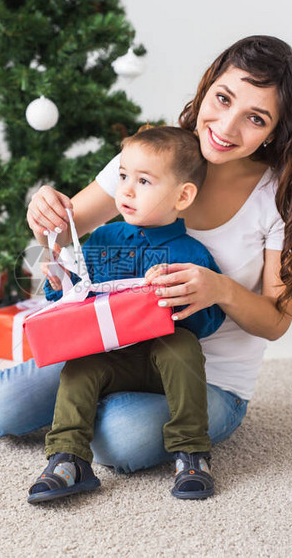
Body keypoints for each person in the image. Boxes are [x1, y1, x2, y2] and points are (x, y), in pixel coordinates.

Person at [0, 36, 292, 486]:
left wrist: (220, 289)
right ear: (208, 85)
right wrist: (43, 213)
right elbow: (60, 233)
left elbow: (275, 321)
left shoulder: (278, 198)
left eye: (255, 118)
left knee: (121, 440)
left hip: (209, 382)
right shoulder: (156, 156)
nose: (227, 126)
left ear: (277, 130)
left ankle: (88, 407)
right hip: (114, 345)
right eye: (223, 98)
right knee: (3, 409)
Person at [27, 126, 226, 503]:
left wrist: (175, 299)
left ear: (182, 196)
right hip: (112, 358)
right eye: (122, 177)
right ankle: (68, 458)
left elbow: (209, 322)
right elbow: (76, 302)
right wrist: (60, 279)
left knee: (180, 345)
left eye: (144, 181)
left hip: (160, 363)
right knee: (79, 365)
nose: (127, 190)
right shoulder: (103, 239)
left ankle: (191, 454)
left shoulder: (192, 255)